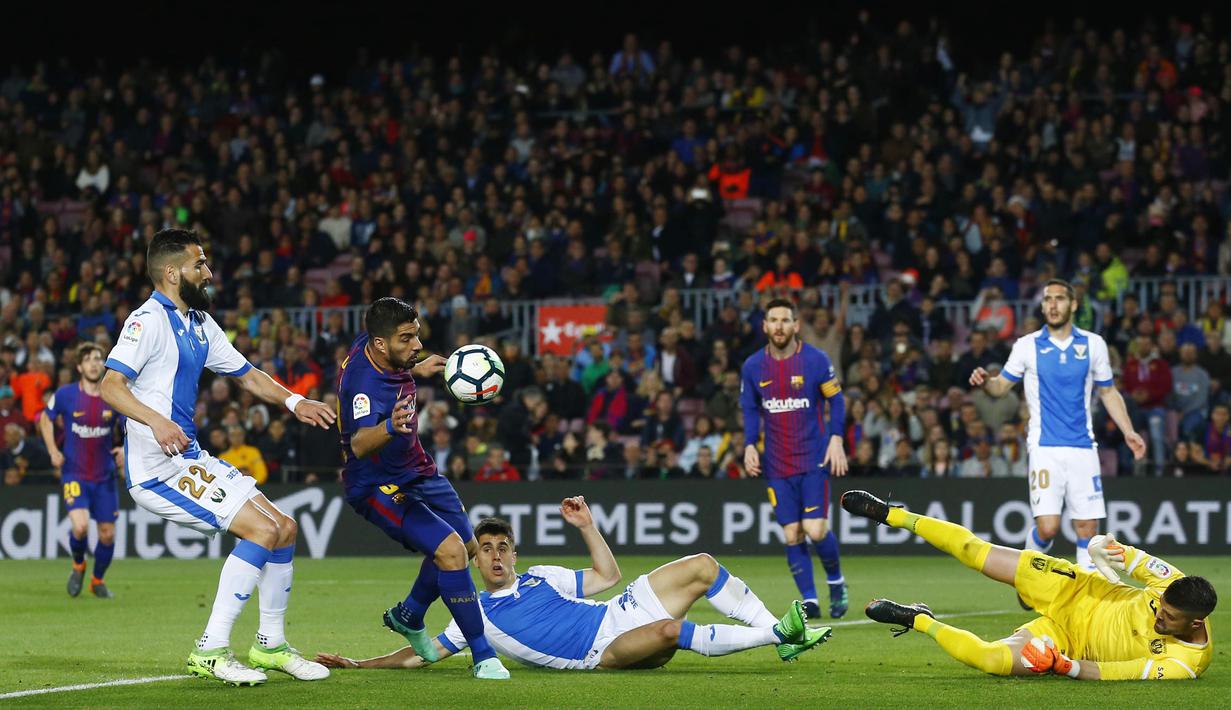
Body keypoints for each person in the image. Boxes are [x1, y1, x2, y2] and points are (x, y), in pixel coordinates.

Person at [101, 228, 336, 685]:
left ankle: (271, 646)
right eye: (199, 265)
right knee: (262, 529)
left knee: (285, 528)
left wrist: (295, 402)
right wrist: (156, 420)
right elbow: (111, 385)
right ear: (172, 273)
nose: (208, 273)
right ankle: (210, 650)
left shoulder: (202, 324)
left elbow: (248, 375)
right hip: (155, 467)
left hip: (189, 456)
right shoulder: (146, 321)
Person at [314, 496, 831, 671]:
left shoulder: (542, 576)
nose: (494, 556)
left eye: (501, 547)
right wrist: (359, 663)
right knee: (671, 630)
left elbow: (608, 577)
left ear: (514, 554)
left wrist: (587, 527)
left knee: (701, 563)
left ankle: (782, 634)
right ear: (473, 562)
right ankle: (778, 636)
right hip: (603, 652)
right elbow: (418, 656)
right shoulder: (474, 617)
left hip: (619, 613)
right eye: (485, 550)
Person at [842, 489, 1216, 681]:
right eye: (1160, 607)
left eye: (1167, 618)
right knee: (977, 551)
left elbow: (1113, 674)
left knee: (991, 660)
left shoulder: (1186, 664)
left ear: (1195, 624)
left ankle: (918, 619)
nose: (1158, 617)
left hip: (1067, 640)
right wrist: (1098, 545)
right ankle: (893, 514)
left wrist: (1063, 665)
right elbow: (1121, 552)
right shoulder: (1174, 582)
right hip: (1075, 588)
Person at [335, 297, 510, 681]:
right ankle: (483, 655)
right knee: (450, 553)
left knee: (465, 547)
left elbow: (399, 350)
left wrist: (417, 363)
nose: (417, 345)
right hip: (378, 485)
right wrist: (389, 426)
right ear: (380, 344)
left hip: (418, 469)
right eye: (407, 339)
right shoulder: (364, 386)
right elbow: (361, 444)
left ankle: (409, 613)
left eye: (417, 335)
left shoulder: (376, 344)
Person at [969, 279, 1145, 608]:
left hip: (1082, 447)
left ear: (1073, 305)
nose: (1052, 304)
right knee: (1048, 528)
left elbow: (1108, 391)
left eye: (1059, 298)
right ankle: (1026, 577)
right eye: (1047, 299)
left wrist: (1128, 430)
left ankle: (1084, 604)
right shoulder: (1027, 346)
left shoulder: (1093, 345)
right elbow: (1000, 388)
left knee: (1087, 528)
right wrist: (985, 382)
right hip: (1045, 447)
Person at [741, 297, 848, 619]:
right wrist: (748, 444)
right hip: (776, 464)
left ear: (796, 325)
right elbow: (749, 408)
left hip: (813, 459)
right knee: (792, 534)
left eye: (785, 320)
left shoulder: (815, 360)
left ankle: (836, 583)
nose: (779, 326)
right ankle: (811, 600)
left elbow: (837, 401)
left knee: (815, 530)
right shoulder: (752, 366)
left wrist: (836, 438)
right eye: (773, 320)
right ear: (764, 326)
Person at [37, 342, 123, 598]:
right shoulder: (66, 395)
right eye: (88, 359)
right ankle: (78, 564)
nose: (94, 363)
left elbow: (132, 424)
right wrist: (53, 450)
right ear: (79, 366)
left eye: (98, 358)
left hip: (104, 476)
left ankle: (97, 580)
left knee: (107, 535)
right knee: (81, 527)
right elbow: (45, 418)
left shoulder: (115, 395)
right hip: (74, 473)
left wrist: (126, 449)